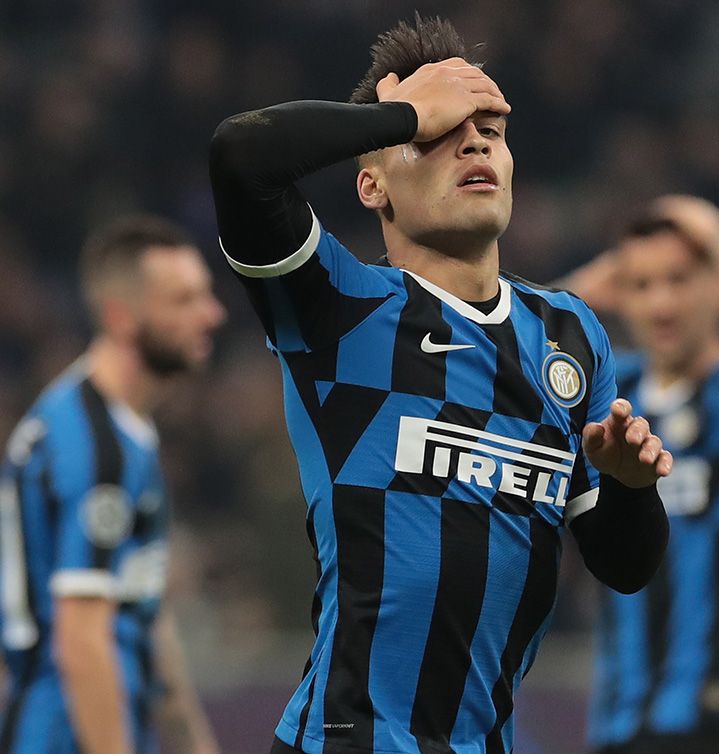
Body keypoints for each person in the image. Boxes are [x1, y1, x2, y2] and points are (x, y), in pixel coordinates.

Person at [207, 15, 672, 754]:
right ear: (372, 185)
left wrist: (628, 486)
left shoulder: (570, 334)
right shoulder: (339, 308)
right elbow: (240, 154)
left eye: (490, 126)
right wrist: (404, 114)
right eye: (440, 132)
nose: (475, 140)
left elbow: (625, 565)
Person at [561, 196, 719, 754]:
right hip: (620, 722)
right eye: (643, 285)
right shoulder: (611, 393)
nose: (662, 303)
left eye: (679, 279)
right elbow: (514, 348)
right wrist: (596, 282)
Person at [0, 216, 226, 754]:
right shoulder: (90, 445)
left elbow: (142, 609)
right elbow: (82, 641)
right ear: (122, 317)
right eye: (184, 300)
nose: (212, 315)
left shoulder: (126, 430)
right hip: (61, 732)